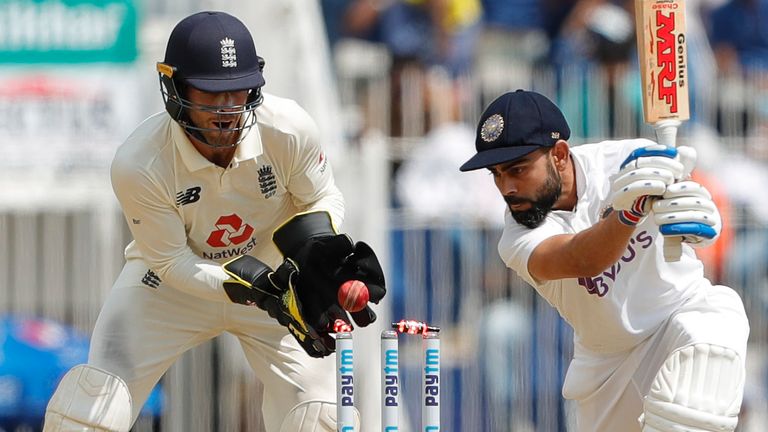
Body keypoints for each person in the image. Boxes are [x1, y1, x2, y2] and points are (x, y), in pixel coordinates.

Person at [41, 11, 385, 432]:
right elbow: (171, 263)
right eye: (210, 92)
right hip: (169, 287)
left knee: (320, 418)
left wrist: (318, 256)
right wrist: (248, 288)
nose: (226, 110)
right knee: (90, 408)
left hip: (277, 288)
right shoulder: (140, 163)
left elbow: (322, 197)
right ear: (175, 88)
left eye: (237, 91)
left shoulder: (288, 128)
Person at [459, 90, 750, 431]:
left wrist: (701, 218)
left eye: (518, 169)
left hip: (679, 315)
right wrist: (628, 213)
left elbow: (692, 204)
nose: (506, 187)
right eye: (496, 174)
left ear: (560, 155)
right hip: (608, 364)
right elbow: (582, 259)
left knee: (718, 320)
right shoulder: (516, 237)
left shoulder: (627, 160)